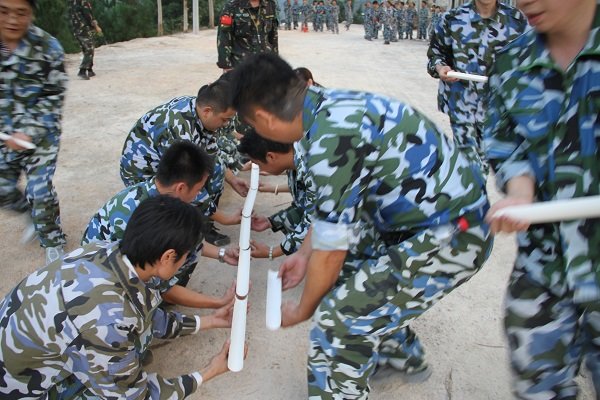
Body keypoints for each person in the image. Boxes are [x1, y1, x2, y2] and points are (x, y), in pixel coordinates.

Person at [230, 53, 492, 398]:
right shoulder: (323, 109)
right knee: (353, 276)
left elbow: (332, 252)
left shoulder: (328, 138)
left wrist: (304, 307)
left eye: (252, 124)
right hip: (423, 219)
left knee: (339, 322)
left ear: (263, 118)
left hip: (455, 232)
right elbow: (332, 213)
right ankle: (400, 356)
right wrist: (305, 253)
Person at [0, 195, 239, 398]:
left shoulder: (103, 250)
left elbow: (145, 314)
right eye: (186, 256)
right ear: (168, 257)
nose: (186, 261)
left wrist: (211, 321)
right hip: (18, 388)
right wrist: (209, 371)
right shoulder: (109, 320)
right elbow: (137, 395)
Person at [484, 0, 600, 398]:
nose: (521, 2)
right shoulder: (512, 61)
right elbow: (506, 143)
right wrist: (520, 193)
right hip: (545, 266)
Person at [85, 140, 237, 312]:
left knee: (186, 244)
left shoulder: (157, 194)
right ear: (181, 187)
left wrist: (222, 254)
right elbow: (162, 288)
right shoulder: (145, 219)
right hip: (99, 281)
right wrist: (218, 302)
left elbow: (192, 245)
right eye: (199, 189)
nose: (198, 195)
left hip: (114, 263)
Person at [120, 77, 248, 247]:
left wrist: (233, 179)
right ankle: (196, 224)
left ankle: (204, 222)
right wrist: (225, 218)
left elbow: (212, 154)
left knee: (216, 169)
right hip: (144, 172)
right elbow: (185, 180)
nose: (226, 124)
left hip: (168, 162)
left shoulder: (199, 110)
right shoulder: (179, 129)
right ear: (208, 111)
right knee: (177, 199)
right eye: (224, 119)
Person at [0, 0, 68, 265]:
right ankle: (32, 214)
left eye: (21, 13)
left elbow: (54, 96)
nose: (12, 20)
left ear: (32, 13)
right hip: (3, 135)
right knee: (2, 189)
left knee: (40, 191)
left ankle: (52, 239)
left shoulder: (48, 47)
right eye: (4, 11)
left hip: (41, 136)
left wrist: (28, 132)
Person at [427, 0, 527, 176]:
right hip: (462, 106)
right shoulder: (452, 19)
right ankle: (472, 198)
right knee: (469, 164)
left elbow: (530, 58)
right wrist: (440, 68)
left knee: (489, 161)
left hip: (498, 108)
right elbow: (435, 55)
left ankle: (475, 194)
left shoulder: (517, 21)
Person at [237, 129, 315, 261]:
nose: (261, 170)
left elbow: (315, 223)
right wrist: (271, 222)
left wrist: (272, 251)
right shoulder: (296, 160)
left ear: (271, 157)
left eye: (259, 165)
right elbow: (305, 206)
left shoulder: (314, 169)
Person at [216, 0, 278, 72]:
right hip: (240, 66)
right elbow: (224, 37)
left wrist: (276, 62)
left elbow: (273, 37)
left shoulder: (270, 5)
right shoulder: (231, 6)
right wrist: (226, 65)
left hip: (265, 65)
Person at [68, 0, 102, 80]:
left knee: (86, 48)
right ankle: (82, 71)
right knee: (89, 48)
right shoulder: (84, 2)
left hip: (76, 28)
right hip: (84, 29)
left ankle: (89, 69)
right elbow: (88, 16)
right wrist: (96, 27)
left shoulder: (73, 2)